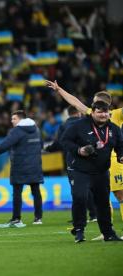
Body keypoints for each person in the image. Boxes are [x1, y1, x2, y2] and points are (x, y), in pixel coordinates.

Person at [46, 80, 123, 235]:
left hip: (115, 159)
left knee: (119, 195)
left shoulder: (116, 114)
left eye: (94, 102)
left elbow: (76, 102)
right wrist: (59, 89)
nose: (91, 106)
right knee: (104, 199)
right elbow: (75, 102)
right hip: (99, 162)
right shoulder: (92, 113)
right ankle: (106, 231)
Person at [60, 101, 123, 242]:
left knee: (103, 203)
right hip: (81, 170)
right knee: (80, 198)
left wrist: (120, 156)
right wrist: (78, 150)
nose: (103, 114)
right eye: (99, 111)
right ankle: (79, 231)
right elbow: (64, 140)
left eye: (106, 111)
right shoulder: (79, 125)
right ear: (92, 112)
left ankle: (108, 233)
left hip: (101, 172)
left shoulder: (114, 128)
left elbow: (120, 145)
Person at [0, 110, 44, 225]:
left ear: (21, 119)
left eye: (14, 119)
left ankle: (16, 218)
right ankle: (38, 218)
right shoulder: (36, 129)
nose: (11, 121)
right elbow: (40, 145)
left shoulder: (16, 131)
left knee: (17, 193)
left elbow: (3, 146)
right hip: (35, 165)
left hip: (19, 166)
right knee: (36, 191)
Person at [44, 106, 97, 222]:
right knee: (90, 186)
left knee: (77, 188)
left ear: (68, 114)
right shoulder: (87, 123)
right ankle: (94, 214)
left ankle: (85, 216)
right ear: (78, 113)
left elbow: (59, 143)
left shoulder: (64, 126)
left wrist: (48, 149)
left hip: (73, 160)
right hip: (91, 159)